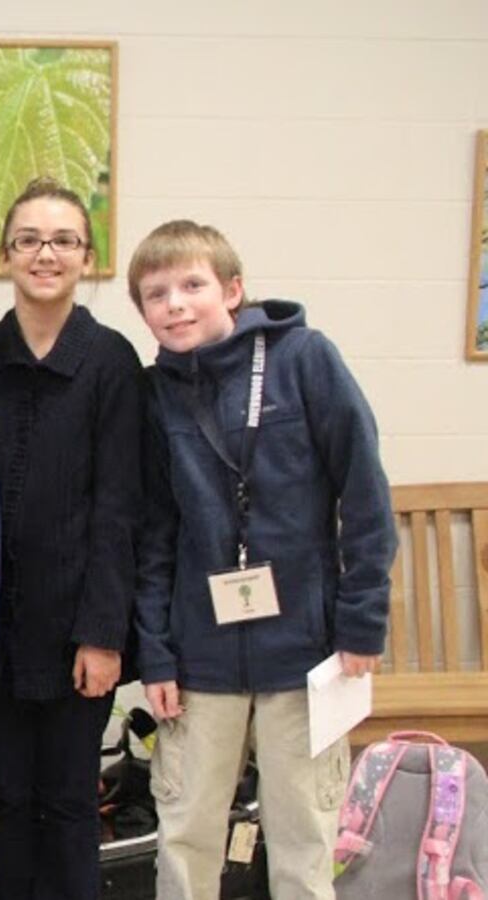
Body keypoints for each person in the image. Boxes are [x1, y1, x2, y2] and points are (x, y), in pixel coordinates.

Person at [131, 219, 394, 900]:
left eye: (193, 285)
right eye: (156, 294)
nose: (176, 304)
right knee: (187, 830)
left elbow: (364, 493)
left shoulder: (304, 359)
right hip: (201, 657)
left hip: (305, 650)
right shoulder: (154, 396)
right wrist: (155, 653)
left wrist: (362, 622)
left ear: (234, 290)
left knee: (305, 833)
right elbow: (155, 534)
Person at [0, 178, 143, 900]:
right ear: (5, 254)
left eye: (63, 240)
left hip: (75, 631)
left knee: (66, 800)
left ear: (86, 258)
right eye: (29, 239)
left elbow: (120, 507)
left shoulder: (113, 361)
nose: (45, 253)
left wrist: (102, 634)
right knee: (5, 797)